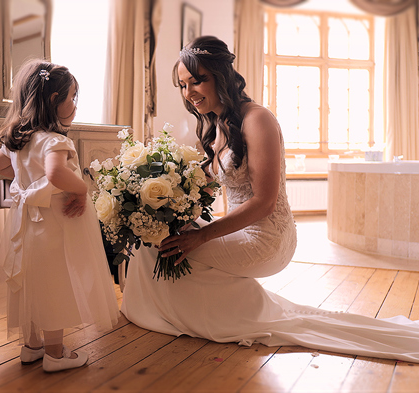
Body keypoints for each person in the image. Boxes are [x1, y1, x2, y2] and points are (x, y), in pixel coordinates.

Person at [120, 36, 419, 362]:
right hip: (236, 230)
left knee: (162, 247)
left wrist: (202, 235)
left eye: (197, 81)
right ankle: (209, 313)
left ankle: (183, 316)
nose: (188, 92)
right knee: (156, 235)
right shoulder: (218, 125)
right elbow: (205, 185)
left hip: (266, 238)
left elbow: (263, 201)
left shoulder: (257, 119)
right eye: (182, 85)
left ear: (220, 75)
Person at [0, 59, 120, 372]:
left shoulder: (17, 138)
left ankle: (31, 346)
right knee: (55, 283)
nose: (74, 105)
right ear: (53, 101)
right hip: (53, 227)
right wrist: (81, 189)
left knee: (29, 280)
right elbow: (56, 173)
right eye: (72, 98)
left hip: (24, 226)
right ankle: (55, 354)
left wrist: (26, 181)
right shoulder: (54, 140)